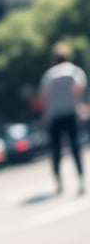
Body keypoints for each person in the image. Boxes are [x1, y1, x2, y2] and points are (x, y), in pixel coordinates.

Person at [37, 42, 87, 196]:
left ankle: (59, 182)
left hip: (55, 116)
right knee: (75, 147)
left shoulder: (50, 74)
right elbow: (80, 89)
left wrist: (47, 111)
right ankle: (80, 180)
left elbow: (43, 96)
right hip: (71, 113)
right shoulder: (75, 71)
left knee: (56, 150)